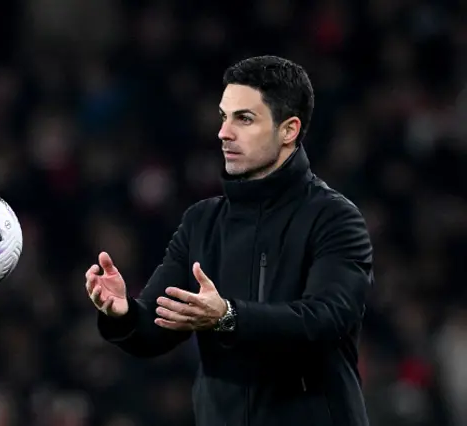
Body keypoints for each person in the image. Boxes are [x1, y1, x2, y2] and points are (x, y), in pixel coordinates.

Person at [85, 55, 374, 426]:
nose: (223, 132)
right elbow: (154, 332)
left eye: (244, 119)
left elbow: (325, 320)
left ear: (288, 130)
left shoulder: (334, 218)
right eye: (224, 116)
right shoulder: (202, 222)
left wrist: (229, 317)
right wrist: (122, 314)